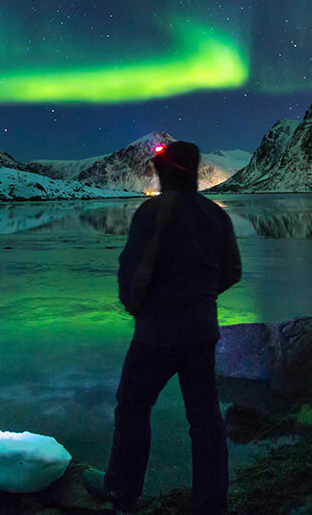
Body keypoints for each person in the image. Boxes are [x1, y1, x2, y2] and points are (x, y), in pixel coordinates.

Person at [88, 140, 242, 514]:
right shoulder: (216, 215)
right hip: (202, 331)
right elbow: (233, 271)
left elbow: (131, 268)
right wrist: (203, 297)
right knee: (205, 417)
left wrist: (136, 305)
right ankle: (211, 500)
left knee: (133, 406)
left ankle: (122, 490)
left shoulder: (153, 211)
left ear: (167, 171)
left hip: (155, 334)